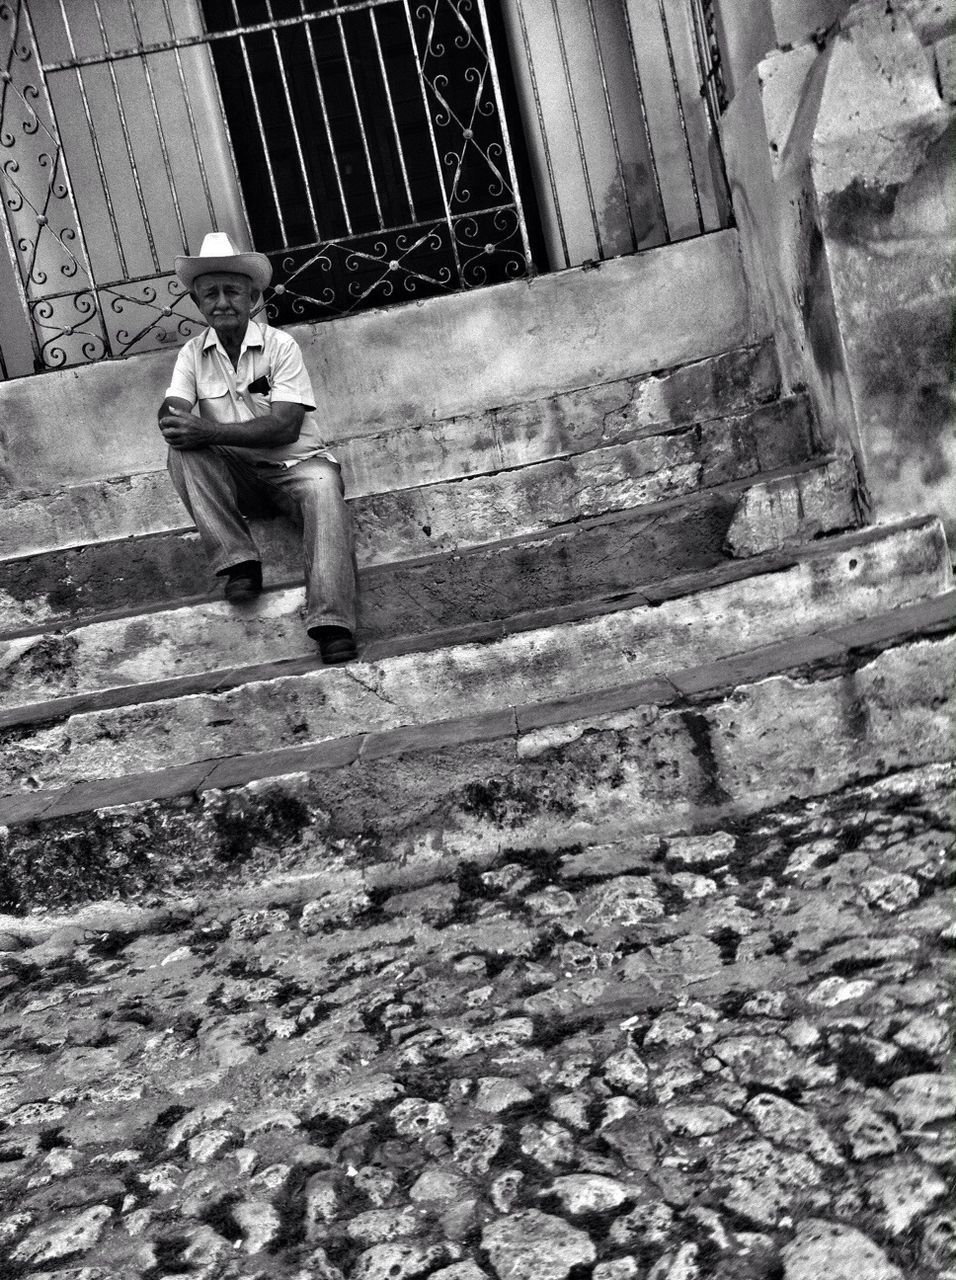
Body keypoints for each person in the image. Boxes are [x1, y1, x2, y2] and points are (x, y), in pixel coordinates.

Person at [158, 232, 357, 665]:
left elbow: (285, 426)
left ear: (252, 297)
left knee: (324, 487)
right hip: (242, 477)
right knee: (181, 450)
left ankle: (332, 624)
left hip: (297, 467)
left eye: (233, 291)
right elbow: (173, 412)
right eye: (210, 293)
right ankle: (239, 561)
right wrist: (174, 417)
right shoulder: (192, 355)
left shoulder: (280, 345)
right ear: (198, 303)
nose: (222, 302)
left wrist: (206, 431)